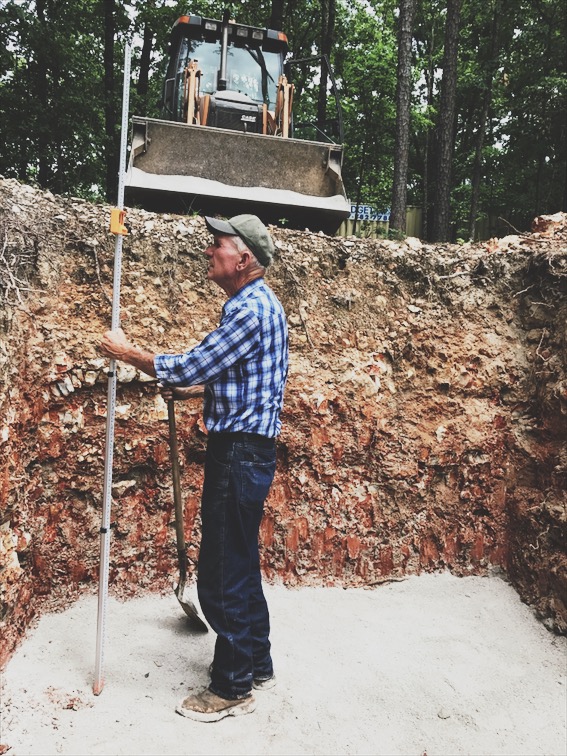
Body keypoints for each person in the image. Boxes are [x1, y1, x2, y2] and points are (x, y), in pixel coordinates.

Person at [99, 214, 288, 722]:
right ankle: (257, 662)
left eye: (217, 244)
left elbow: (191, 363)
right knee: (241, 561)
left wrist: (127, 353)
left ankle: (231, 687)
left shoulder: (249, 309)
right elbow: (247, 380)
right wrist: (195, 391)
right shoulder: (256, 306)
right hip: (249, 450)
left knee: (221, 571)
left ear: (243, 257)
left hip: (239, 453)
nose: (209, 251)